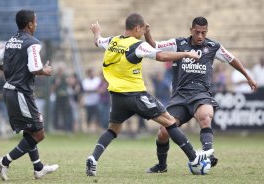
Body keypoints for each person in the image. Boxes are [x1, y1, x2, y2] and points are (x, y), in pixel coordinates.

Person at [86, 13, 214, 177]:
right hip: (136, 95)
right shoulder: (137, 45)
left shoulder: (112, 41)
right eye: (142, 29)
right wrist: (186, 54)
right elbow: (160, 56)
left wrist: (96, 31)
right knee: (169, 121)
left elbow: (98, 40)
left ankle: (93, 158)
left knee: (113, 130)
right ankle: (194, 158)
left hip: (117, 96)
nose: (143, 32)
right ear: (137, 28)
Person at [144, 16, 257, 173]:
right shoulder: (179, 44)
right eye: (197, 32)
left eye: (203, 33)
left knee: (205, 116)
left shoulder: (213, 46)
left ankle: (208, 154)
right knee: (163, 133)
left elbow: (232, 59)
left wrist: (248, 77)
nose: (200, 36)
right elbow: (156, 45)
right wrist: (147, 34)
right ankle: (162, 166)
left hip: (200, 94)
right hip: (179, 96)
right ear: (191, 30)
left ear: (207, 32)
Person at [0, 9, 59, 181]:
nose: (36, 24)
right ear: (30, 24)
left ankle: (38, 168)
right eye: (35, 21)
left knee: (30, 130)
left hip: (10, 90)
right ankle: (4, 161)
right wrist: (45, 70)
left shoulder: (11, 41)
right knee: (39, 133)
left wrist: (12, 73)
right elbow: (34, 68)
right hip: (20, 92)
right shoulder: (33, 43)